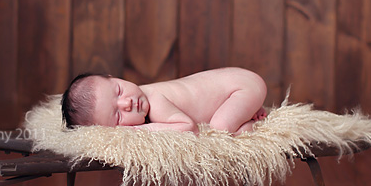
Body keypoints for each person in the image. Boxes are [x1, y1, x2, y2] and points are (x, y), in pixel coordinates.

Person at [61, 67, 268, 135]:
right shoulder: (143, 96)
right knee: (222, 117)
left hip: (241, 87)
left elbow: (189, 128)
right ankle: (248, 108)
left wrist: (141, 131)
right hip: (238, 82)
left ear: (113, 78)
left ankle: (251, 122)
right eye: (117, 115)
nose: (127, 103)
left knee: (220, 128)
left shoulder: (155, 103)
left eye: (118, 91)